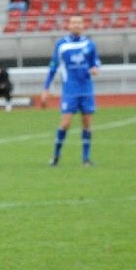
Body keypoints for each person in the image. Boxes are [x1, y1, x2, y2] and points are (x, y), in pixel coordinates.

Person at [41, 15, 100, 167]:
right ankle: (55, 156)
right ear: (69, 25)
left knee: (87, 124)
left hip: (86, 90)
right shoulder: (61, 45)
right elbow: (53, 67)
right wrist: (46, 89)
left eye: (79, 22)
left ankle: (86, 158)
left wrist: (95, 69)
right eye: (74, 22)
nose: (77, 25)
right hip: (70, 90)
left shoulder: (90, 44)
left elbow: (96, 62)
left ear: (83, 25)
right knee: (65, 123)